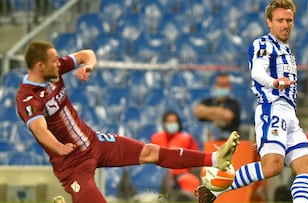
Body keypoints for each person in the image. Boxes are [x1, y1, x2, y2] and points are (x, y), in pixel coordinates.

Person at [15, 40, 240, 203]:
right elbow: (39, 129)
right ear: (39, 66)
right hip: (71, 163)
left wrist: (89, 65)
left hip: (94, 142)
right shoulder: (26, 97)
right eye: (53, 60)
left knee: (151, 152)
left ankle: (214, 159)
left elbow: (86, 54)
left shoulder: (54, 70)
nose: (59, 63)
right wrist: (59, 147)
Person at [196, 0, 308, 202]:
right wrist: (274, 82)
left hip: (290, 115)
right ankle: (214, 190)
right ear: (269, 22)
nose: (285, 25)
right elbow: (257, 71)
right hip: (272, 109)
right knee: (272, 166)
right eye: (280, 20)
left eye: (289, 20)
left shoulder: (287, 51)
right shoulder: (263, 44)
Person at [151, 111, 200, 200]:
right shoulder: (156, 138)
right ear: (164, 123)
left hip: (182, 173)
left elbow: (196, 158)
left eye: (174, 121)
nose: (172, 124)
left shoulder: (187, 138)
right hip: (163, 174)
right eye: (169, 122)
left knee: (190, 181)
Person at [193, 73, 241, 141]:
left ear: (230, 87)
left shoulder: (234, 103)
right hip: (207, 141)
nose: (222, 88)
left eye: (224, 85)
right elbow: (197, 111)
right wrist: (219, 112)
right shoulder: (208, 101)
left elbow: (228, 116)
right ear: (215, 86)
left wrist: (207, 113)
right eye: (220, 85)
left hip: (228, 142)